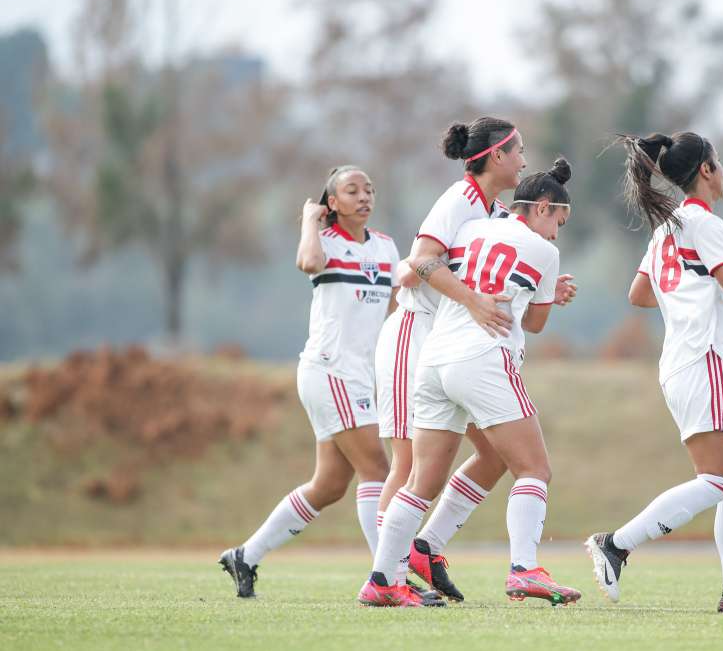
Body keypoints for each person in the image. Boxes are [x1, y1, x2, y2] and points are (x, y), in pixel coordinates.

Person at [585, 132, 723, 614]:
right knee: (717, 481)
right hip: (703, 360)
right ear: (706, 170)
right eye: (719, 162)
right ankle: (616, 544)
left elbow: (639, 294)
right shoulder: (705, 222)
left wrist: (683, 297)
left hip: (681, 362)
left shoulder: (666, 229)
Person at [360, 159, 582, 608]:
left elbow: (426, 265)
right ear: (542, 207)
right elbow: (535, 324)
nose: (556, 234)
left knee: (420, 482)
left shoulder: (471, 228)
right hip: (484, 359)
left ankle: (383, 579)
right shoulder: (544, 252)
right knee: (533, 469)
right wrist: (547, 294)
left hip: (434, 359)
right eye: (558, 221)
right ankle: (524, 569)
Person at [218, 166, 402, 599]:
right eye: (352, 191)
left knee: (330, 485)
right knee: (377, 469)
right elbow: (308, 263)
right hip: (330, 370)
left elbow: (395, 307)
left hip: (358, 375)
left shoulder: (386, 246)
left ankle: (245, 555)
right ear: (332, 202)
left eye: (369, 190)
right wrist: (308, 221)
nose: (364, 196)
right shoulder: (325, 243)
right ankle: (387, 579)